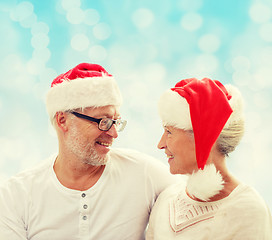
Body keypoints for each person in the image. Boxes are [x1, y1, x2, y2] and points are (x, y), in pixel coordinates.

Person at [0, 63, 178, 240]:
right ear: (63, 120)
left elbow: (196, 206)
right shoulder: (16, 195)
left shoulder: (145, 175)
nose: (114, 133)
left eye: (115, 122)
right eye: (104, 121)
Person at [146, 78, 272, 239]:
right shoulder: (167, 199)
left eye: (169, 132)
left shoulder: (248, 210)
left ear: (203, 138)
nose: (160, 144)